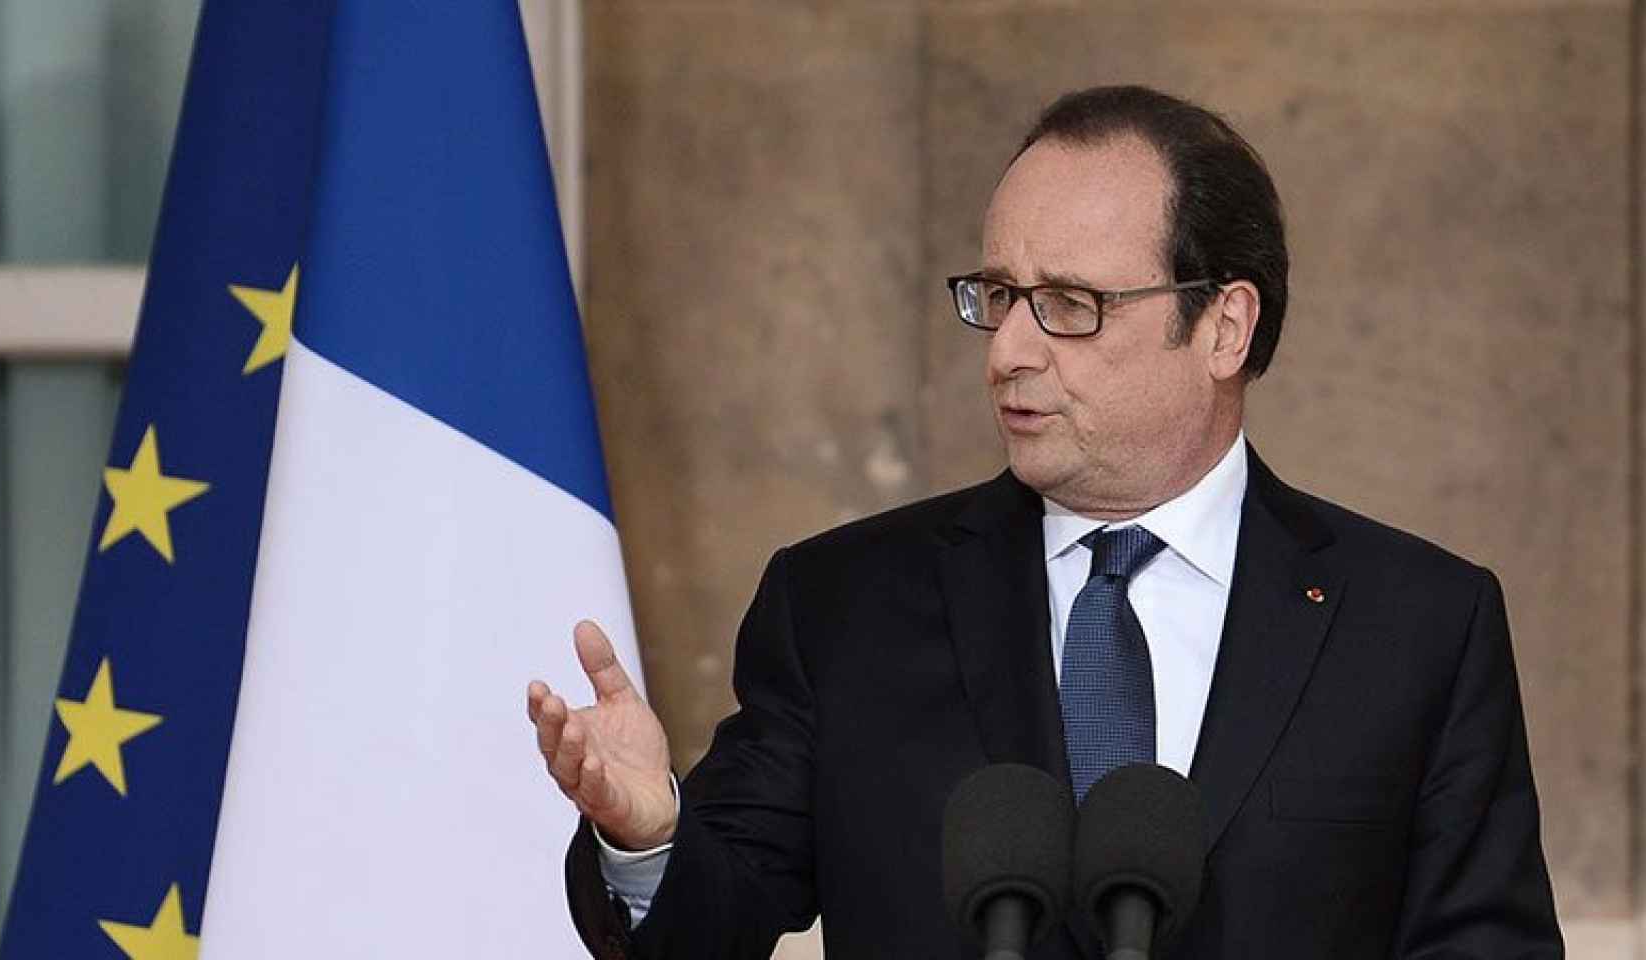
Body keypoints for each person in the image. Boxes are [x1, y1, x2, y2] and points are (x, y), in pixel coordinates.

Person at [526, 85, 1563, 959]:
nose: (1007, 351)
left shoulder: (1417, 625)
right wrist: (651, 836)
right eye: (996, 294)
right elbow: (713, 921)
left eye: (1068, 304)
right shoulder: (843, 608)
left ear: (1221, 327)